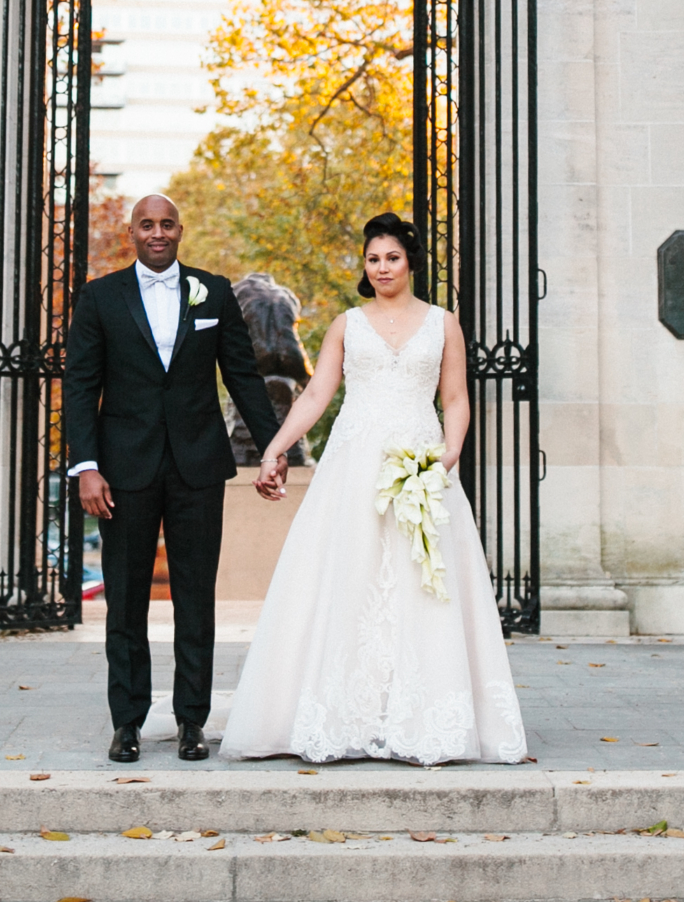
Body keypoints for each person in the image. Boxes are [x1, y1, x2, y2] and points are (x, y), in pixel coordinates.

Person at [222, 210, 528, 765]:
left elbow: (455, 399)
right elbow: (314, 396)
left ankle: (419, 717)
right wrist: (275, 449)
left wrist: (450, 451)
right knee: (348, 582)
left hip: (419, 463)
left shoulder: (443, 324)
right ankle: (342, 716)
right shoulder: (346, 323)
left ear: (409, 262)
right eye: (373, 259)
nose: (382, 267)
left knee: (421, 586)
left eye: (391, 257)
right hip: (354, 467)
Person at [62, 193, 283, 764]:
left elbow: (242, 374)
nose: (156, 233)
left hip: (197, 468)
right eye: (146, 225)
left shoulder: (213, 290)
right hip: (122, 470)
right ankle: (127, 723)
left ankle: (191, 722)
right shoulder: (99, 297)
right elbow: (81, 388)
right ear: (131, 232)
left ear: (180, 230)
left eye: (166, 224)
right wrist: (85, 466)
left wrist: (274, 449)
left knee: (194, 598)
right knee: (127, 601)